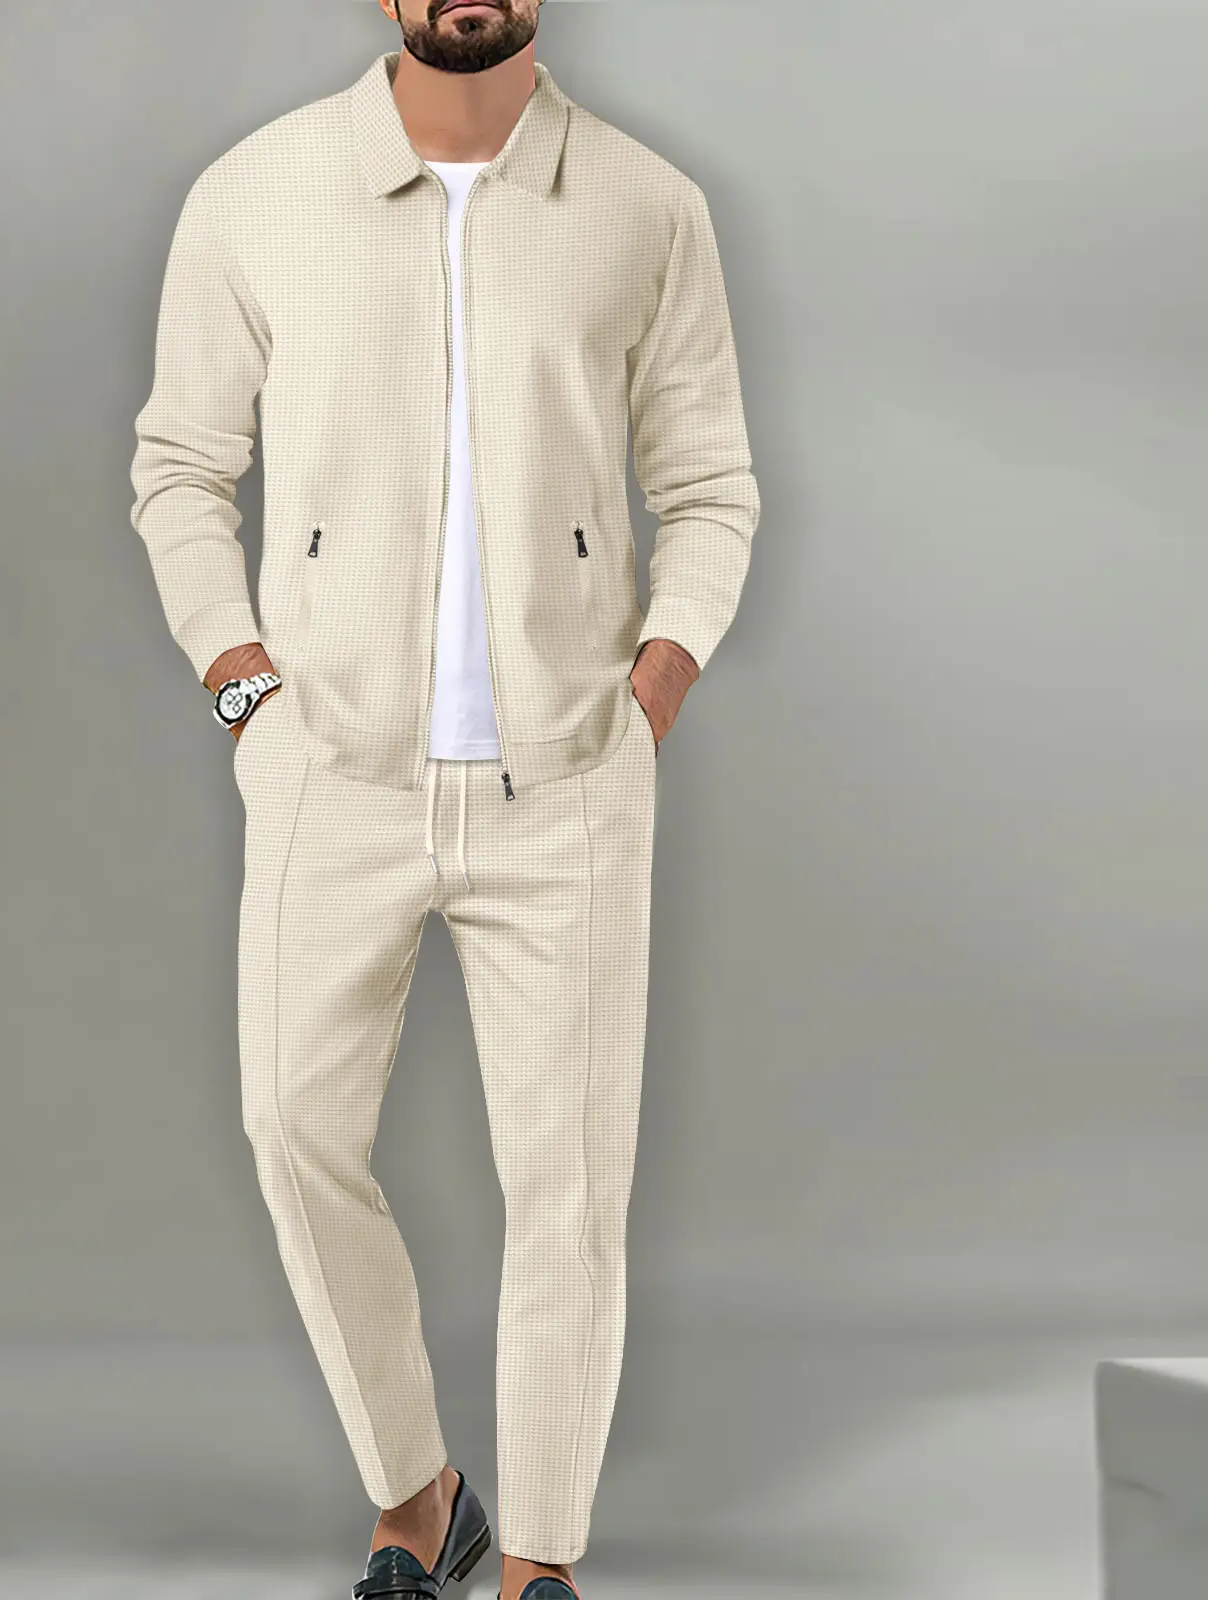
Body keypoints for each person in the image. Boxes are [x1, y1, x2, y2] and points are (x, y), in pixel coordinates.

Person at [129, 2, 760, 1595]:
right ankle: (419, 1493)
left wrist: (656, 685)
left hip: (570, 773)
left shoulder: (646, 205)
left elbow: (708, 484)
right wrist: (245, 685)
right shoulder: (256, 193)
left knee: (570, 1191)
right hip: (331, 766)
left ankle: (539, 1558)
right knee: (292, 1128)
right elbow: (182, 466)